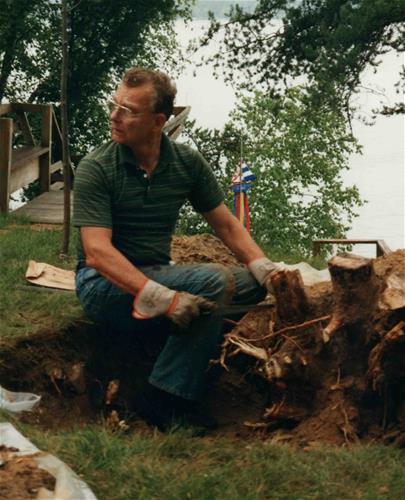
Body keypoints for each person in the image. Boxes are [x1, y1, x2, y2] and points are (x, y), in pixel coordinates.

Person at [72, 67, 282, 432]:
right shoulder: (97, 167)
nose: (114, 116)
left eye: (128, 110)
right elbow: (97, 253)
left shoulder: (185, 163)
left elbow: (226, 225)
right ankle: (165, 398)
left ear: (158, 121)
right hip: (102, 286)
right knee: (213, 282)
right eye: (114, 104)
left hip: (158, 272)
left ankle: (179, 334)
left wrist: (266, 268)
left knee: (252, 285)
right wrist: (160, 297)